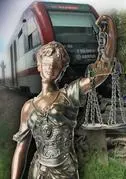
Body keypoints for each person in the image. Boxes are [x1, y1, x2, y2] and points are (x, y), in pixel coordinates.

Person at [11, 25, 114, 179]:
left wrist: (110, 33)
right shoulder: (28, 107)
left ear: (61, 70)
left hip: (65, 171)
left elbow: (101, 73)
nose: (50, 69)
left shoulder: (68, 95)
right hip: (38, 172)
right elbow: (21, 148)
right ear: (39, 66)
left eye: (55, 66)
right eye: (46, 64)